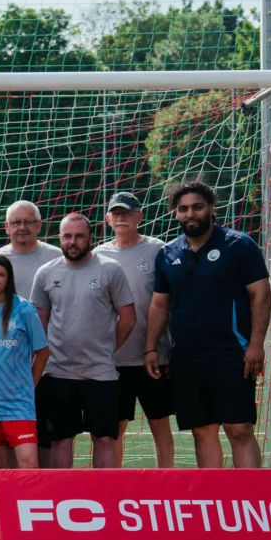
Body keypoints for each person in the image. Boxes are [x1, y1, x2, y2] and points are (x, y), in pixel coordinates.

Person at [145, 179, 271, 469]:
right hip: (186, 359)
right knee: (202, 431)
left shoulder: (238, 245)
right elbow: (159, 305)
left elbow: (261, 294)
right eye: (183, 209)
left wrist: (256, 345)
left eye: (197, 207)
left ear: (212, 209)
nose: (190, 214)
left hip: (232, 355)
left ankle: (250, 493)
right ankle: (215, 495)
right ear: (176, 214)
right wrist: (150, 348)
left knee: (239, 429)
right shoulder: (167, 253)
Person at [31, 213, 135, 469]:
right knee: (61, 439)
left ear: (91, 238)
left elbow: (128, 318)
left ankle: (102, 492)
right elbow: (38, 325)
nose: (73, 242)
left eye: (79, 236)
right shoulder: (46, 272)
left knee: (104, 439)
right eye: (67, 236)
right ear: (59, 238)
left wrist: (108, 349)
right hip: (58, 373)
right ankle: (63, 492)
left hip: (100, 374)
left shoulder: (110, 269)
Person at [94, 191, 174, 468]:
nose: (121, 218)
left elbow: (168, 300)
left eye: (127, 212)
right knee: (115, 429)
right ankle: (116, 484)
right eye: (116, 213)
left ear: (139, 216)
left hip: (153, 356)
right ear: (107, 219)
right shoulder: (98, 255)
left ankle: (166, 482)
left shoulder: (159, 249)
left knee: (159, 423)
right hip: (114, 359)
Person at [0, 254, 49, 470]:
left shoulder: (24, 309)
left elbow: (43, 351)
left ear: (8, 280)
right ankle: (6, 497)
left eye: (0, 274)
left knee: (28, 463)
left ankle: (29, 496)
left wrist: (30, 385)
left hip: (18, 403)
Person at [0, 201, 63, 299]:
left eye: (28, 222)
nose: (22, 227)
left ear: (39, 225)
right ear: (7, 227)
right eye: (16, 222)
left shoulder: (57, 257)